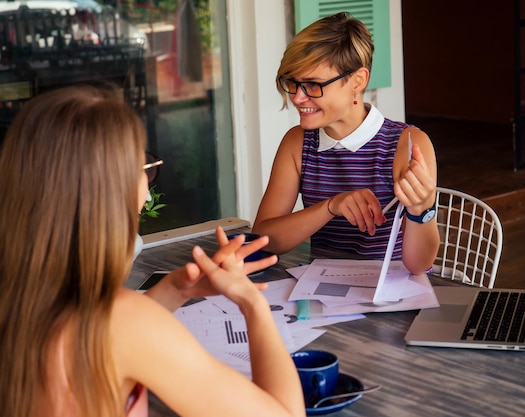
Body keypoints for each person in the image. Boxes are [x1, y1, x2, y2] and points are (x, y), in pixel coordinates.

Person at [0, 85, 305, 417]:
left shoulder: (20, 300)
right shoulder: (125, 323)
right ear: (109, 193)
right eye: (141, 169)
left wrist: (175, 289)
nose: (146, 191)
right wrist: (252, 303)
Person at [252, 12, 439, 274]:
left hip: (392, 297)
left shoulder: (406, 144)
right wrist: (331, 206)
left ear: (357, 81)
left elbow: (419, 265)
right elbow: (264, 239)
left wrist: (422, 210)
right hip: (321, 293)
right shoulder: (298, 143)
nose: (297, 98)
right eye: (292, 83)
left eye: (313, 85)